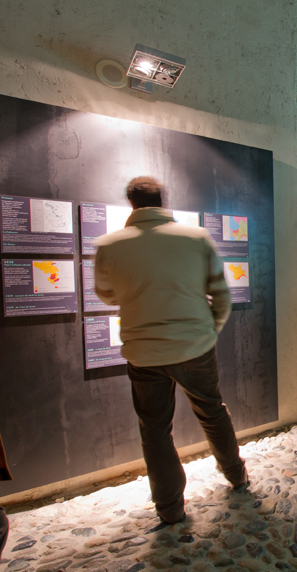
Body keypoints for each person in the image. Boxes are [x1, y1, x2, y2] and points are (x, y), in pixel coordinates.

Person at [94, 177, 248, 528]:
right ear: (162, 201)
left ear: (131, 203)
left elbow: (106, 294)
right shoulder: (195, 237)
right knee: (212, 411)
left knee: (154, 429)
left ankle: (169, 507)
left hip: (143, 353)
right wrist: (209, 330)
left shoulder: (109, 244)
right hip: (195, 346)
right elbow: (221, 294)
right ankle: (236, 475)